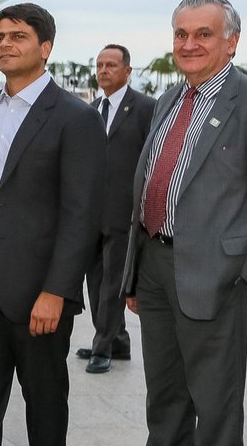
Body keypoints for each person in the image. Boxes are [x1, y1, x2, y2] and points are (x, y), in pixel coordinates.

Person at [121, 0, 247, 444]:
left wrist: (239, 270)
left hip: (216, 278)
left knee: (216, 408)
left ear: (231, 41)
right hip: (154, 270)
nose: (189, 44)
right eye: (181, 34)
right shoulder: (169, 99)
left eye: (204, 34)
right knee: (164, 401)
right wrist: (136, 272)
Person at [0, 3, 106, 445]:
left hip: (38, 287)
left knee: (44, 405)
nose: (5, 44)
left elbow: (82, 215)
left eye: (18, 36)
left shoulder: (76, 117)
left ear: (45, 47)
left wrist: (57, 291)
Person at [74, 44, 156, 374]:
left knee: (112, 282)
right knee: (95, 280)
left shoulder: (146, 108)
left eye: (111, 65)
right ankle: (117, 340)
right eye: (99, 65)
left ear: (127, 71)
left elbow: (154, 159)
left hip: (125, 212)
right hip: (93, 211)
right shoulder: (92, 109)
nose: (103, 70)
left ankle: (103, 346)